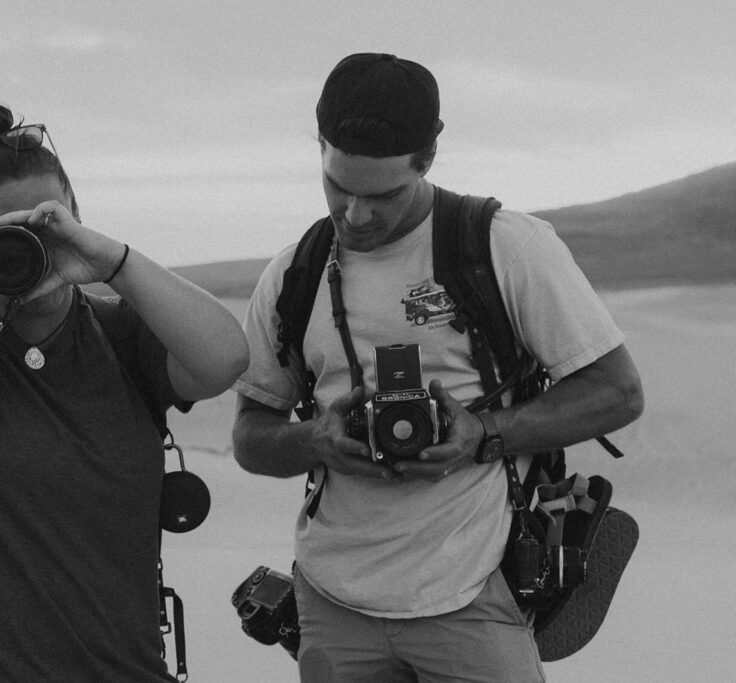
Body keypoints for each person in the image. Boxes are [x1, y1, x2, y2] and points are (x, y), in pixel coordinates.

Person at [232, 53, 643, 682]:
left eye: (383, 195)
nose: (356, 215)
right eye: (338, 186)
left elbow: (617, 392)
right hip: (331, 600)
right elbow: (250, 438)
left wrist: (482, 434)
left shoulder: (503, 246)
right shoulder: (295, 273)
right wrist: (313, 439)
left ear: (428, 158)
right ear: (318, 146)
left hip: (476, 593)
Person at [0, 83, 249, 681]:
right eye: (2, 236)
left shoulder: (125, 336)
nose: (29, 248)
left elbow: (225, 359)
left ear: (76, 215)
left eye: (46, 224)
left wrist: (107, 262)